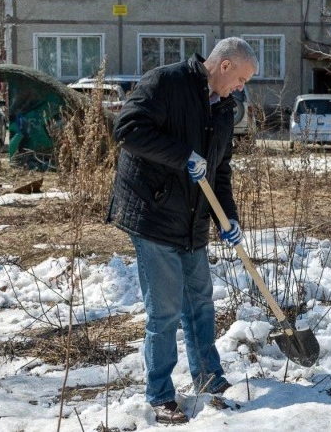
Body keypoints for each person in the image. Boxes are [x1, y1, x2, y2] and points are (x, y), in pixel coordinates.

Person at [106, 37, 258, 424]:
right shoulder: (166, 83)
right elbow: (127, 129)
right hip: (152, 211)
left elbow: (219, 169)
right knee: (166, 311)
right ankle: (159, 394)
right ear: (224, 66)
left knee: (201, 302)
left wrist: (229, 216)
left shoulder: (225, 108)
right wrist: (182, 156)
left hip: (192, 218)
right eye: (241, 79)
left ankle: (208, 376)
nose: (242, 88)